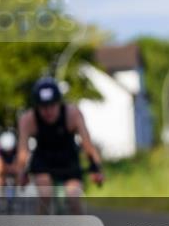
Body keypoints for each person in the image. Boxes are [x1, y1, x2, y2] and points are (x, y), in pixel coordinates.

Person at [17, 77, 105, 213]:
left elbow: (87, 144)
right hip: (43, 160)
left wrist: (96, 168)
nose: (48, 111)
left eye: (52, 105)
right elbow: (23, 151)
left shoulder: (73, 114)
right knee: (44, 194)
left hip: (68, 158)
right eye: (43, 107)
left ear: (59, 103)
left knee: (74, 199)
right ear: (37, 106)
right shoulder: (28, 120)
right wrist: (21, 173)